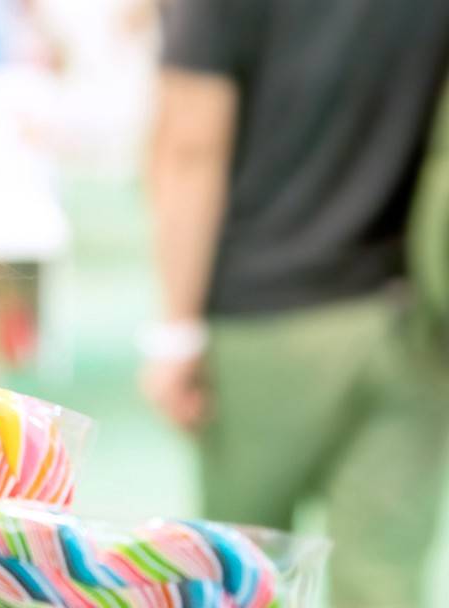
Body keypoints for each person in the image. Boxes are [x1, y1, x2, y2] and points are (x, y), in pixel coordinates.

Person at [142, 0, 449, 606]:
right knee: (384, 580)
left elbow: (191, 144)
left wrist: (176, 330)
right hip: (409, 316)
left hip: (264, 323)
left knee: (240, 574)